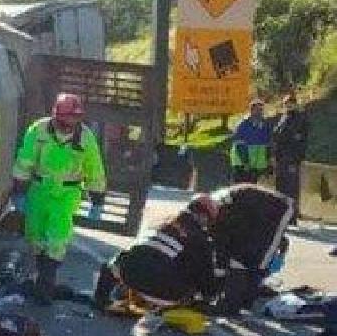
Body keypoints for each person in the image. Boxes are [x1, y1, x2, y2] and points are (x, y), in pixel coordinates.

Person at [12, 92, 106, 305]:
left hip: (66, 194)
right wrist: (19, 190)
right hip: (39, 190)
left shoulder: (85, 137)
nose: (70, 123)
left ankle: (45, 287)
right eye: (67, 118)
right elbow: (25, 161)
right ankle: (42, 280)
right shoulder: (38, 130)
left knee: (56, 238)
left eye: (75, 118)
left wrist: (97, 199)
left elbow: (94, 169)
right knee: (35, 235)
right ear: (56, 116)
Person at [94, 194, 222, 311]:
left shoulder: (160, 222)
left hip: (128, 273)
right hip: (165, 292)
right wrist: (210, 295)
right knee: (190, 276)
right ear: (204, 216)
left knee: (114, 263)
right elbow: (205, 276)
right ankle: (158, 303)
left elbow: (136, 251)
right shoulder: (200, 239)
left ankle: (101, 299)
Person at [208, 184, 294, 314]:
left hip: (279, 208)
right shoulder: (217, 207)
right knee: (242, 254)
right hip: (254, 210)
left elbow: (222, 247)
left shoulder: (219, 215)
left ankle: (247, 297)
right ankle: (244, 295)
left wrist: (220, 276)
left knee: (260, 259)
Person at [271, 93, 309, 223]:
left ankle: (292, 216)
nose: (288, 105)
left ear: (295, 104)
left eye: (290, 103)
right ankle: (281, 215)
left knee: (291, 189)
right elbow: (277, 137)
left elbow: (300, 140)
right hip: (281, 159)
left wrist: (297, 160)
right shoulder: (283, 118)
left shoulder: (299, 119)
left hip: (291, 159)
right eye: (286, 103)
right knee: (280, 188)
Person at [230, 98, 272, 185]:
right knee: (240, 190)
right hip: (241, 165)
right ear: (251, 110)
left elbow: (267, 145)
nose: (260, 112)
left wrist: (268, 162)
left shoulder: (264, 125)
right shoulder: (243, 125)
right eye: (257, 110)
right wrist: (246, 163)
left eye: (261, 110)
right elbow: (239, 145)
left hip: (255, 166)